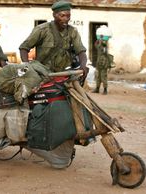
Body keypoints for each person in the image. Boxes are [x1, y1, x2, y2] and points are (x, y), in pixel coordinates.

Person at [19, 0, 87, 169]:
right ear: (54, 15)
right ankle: (29, 133)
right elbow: (24, 48)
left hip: (60, 74)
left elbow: (81, 51)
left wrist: (84, 66)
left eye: (68, 15)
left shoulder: (72, 32)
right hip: (41, 74)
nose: (66, 19)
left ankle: (69, 134)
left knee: (73, 101)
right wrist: (28, 66)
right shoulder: (42, 30)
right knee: (32, 103)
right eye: (62, 15)